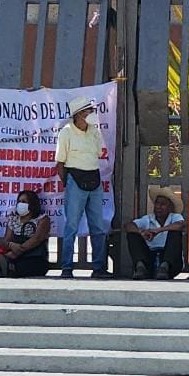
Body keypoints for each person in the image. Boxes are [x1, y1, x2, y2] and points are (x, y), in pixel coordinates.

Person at [56, 96, 111, 278]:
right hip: (74, 178)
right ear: (79, 114)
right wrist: (68, 184)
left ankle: (99, 268)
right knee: (71, 225)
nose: (91, 113)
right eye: (88, 110)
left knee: (97, 226)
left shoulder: (94, 132)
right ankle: (67, 267)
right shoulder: (66, 132)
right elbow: (60, 163)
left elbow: (97, 153)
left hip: (93, 177)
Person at [0, 190, 51, 278]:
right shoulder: (13, 219)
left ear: (32, 204)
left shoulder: (43, 219)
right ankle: (1, 268)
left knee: (26, 266)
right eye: (19, 201)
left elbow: (37, 238)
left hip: (35, 256)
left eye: (24, 202)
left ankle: (7, 269)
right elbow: (6, 240)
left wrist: (20, 250)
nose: (20, 204)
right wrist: (10, 245)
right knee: (6, 259)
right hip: (15, 254)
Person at [126, 187, 186, 280]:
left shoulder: (175, 217)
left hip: (171, 261)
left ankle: (164, 267)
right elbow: (129, 226)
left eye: (162, 204)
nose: (158, 207)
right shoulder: (148, 219)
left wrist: (158, 230)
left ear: (170, 207)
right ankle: (141, 267)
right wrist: (141, 233)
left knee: (175, 233)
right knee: (132, 235)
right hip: (150, 257)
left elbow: (180, 225)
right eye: (157, 203)